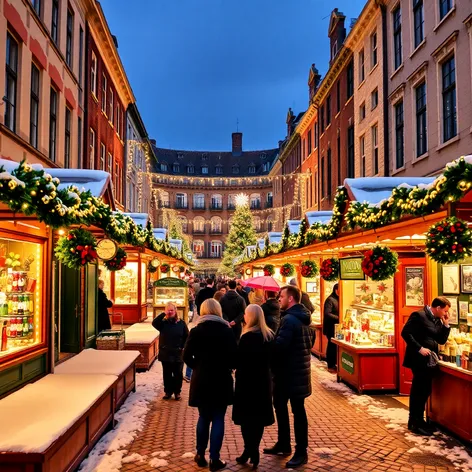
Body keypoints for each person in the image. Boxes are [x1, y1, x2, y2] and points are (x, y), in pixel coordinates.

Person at [183, 298, 238, 471]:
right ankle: (215, 458)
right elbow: (234, 358)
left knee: (204, 417)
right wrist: (227, 366)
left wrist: (197, 367)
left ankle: (200, 454)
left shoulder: (197, 330)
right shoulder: (226, 331)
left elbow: (186, 356)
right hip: (221, 379)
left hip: (202, 380)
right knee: (218, 418)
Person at [264, 285, 314, 468]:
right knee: (284, 407)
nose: (279, 299)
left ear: (290, 299)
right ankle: (284, 443)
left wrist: (268, 345)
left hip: (289, 373)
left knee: (296, 411)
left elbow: (280, 347)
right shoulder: (304, 318)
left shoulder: (290, 320)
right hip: (297, 372)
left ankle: (301, 451)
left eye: (281, 296)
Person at [401, 297, 451, 436]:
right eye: (445, 311)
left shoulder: (437, 319)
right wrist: (419, 348)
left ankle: (418, 421)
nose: (446, 314)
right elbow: (405, 333)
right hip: (418, 359)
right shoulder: (418, 315)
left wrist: (446, 325)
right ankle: (415, 422)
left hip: (428, 360)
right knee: (419, 390)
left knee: (424, 390)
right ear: (438, 307)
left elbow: (441, 339)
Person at [233, 304, 275, 470]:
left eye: (245, 314)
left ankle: (249, 450)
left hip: (246, 383)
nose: (243, 316)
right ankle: (252, 450)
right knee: (257, 419)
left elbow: (239, 360)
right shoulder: (269, 336)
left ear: (250, 317)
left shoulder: (247, 337)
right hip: (263, 382)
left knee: (246, 419)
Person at [152, 302, 189, 400]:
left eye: (172, 310)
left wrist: (183, 347)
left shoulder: (181, 323)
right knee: (167, 374)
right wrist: (163, 314)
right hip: (166, 352)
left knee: (178, 373)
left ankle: (177, 392)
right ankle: (168, 391)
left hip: (178, 352)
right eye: (168, 310)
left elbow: (187, 336)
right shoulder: (163, 323)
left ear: (175, 311)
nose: (170, 312)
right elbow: (154, 323)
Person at [323, 284, 339, 371]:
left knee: (334, 346)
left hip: (337, 327)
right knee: (331, 345)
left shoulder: (338, 299)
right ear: (336, 290)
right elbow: (327, 313)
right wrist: (338, 318)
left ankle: (335, 363)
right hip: (330, 327)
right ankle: (330, 364)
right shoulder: (330, 299)